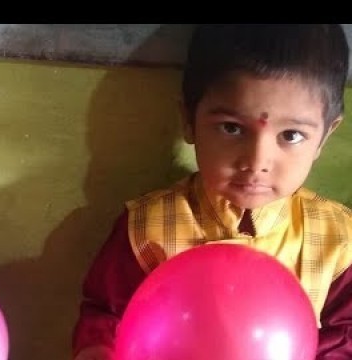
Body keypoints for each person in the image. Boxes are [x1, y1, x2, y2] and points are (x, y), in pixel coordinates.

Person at [72, 24, 352, 360]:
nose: (257, 161)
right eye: (232, 128)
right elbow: (106, 315)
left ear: (324, 135)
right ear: (189, 121)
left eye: (290, 135)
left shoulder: (339, 244)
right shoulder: (147, 231)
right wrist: (100, 349)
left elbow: (344, 336)